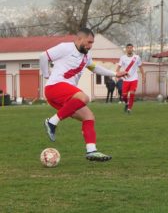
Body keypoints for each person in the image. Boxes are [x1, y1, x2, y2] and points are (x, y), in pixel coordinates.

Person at [39, 27, 126, 162]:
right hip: (54, 87)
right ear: (79, 39)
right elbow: (44, 56)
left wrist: (115, 74)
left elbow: (95, 68)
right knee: (84, 98)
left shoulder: (86, 56)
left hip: (65, 96)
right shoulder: (65, 48)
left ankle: (91, 151)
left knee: (88, 117)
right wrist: (46, 75)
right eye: (89, 42)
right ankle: (51, 122)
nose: (90, 46)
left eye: (92, 43)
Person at [116, 43, 144, 114]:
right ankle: (126, 103)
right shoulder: (122, 58)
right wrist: (117, 75)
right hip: (126, 79)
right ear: (126, 49)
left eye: (130, 48)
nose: (129, 49)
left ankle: (129, 109)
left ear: (132, 48)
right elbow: (118, 67)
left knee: (132, 93)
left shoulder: (137, 57)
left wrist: (143, 76)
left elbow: (140, 67)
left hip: (134, 79)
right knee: (124, 95)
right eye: (128, 48)